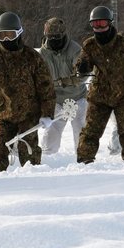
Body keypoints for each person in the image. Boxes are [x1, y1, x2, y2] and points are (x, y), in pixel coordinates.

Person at [0, 12, 55, 174]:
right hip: (4, 113)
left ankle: (33, 178)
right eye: (2, 35)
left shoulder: (32, 57)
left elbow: (46, 87)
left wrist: (47, 113)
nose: (6, 40)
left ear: (19, 33)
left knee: (28, 148)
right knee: (0, 148)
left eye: (10, 35)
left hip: (29, 114)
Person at [74, 5, 124, 164]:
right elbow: (84, 64)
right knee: (90, 132)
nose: (99, 28)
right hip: (99, 96)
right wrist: (81, 67)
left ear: (110, 23)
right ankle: (85, 162)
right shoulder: (89, 45)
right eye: (95, 24)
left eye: (102, 24)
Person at [38, 17, 86, 156]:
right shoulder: (42, 55)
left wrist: (66, 81)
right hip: (56, 101)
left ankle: (85, 159)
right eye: (50, 37)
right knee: (51, 134)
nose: (53, 40)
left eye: (57, 37)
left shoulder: (75, 49)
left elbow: (83, 76)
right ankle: (48, 161)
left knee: (82, 131)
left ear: (63, 35)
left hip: (78, 98)